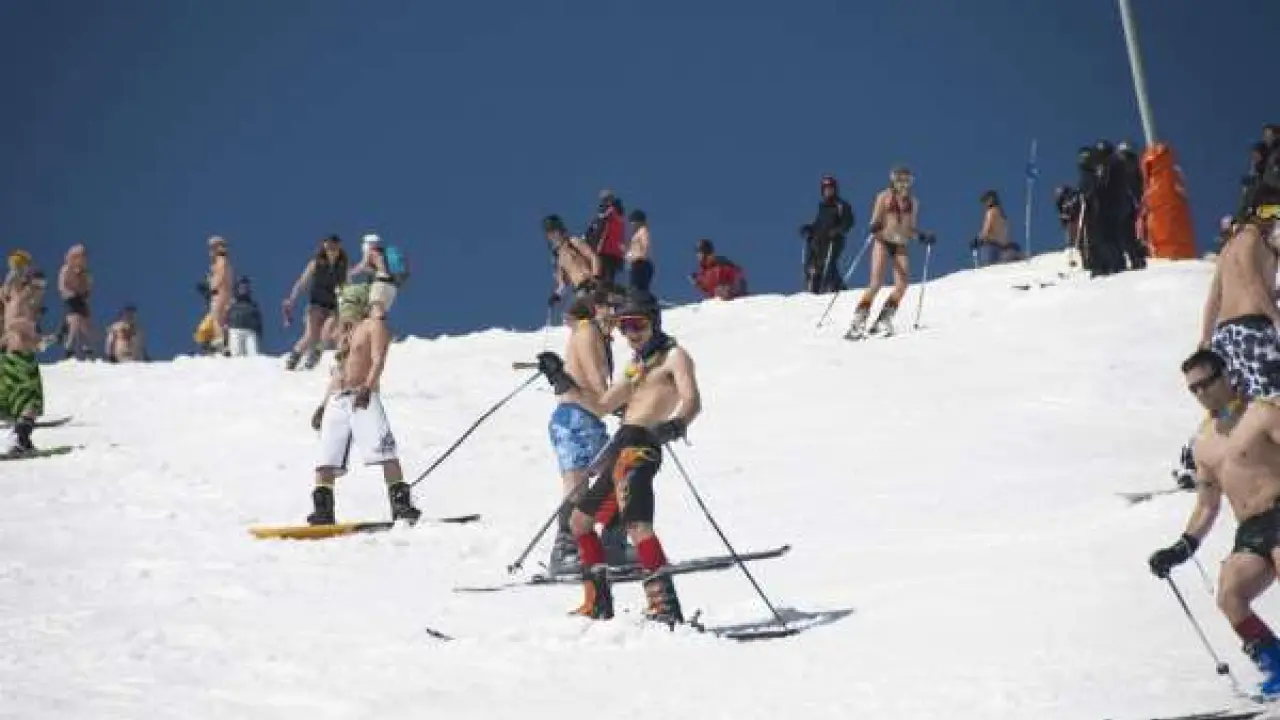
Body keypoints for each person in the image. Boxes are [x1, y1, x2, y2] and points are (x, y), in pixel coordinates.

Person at [533, 290, 702, 626]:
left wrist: (676, 425)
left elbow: (692, 400)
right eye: (624, 326)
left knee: (638, 525)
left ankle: (665, 606)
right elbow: (601, 405)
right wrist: (562, 380)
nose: (630, 333)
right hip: (620, 446)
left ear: (654, 322)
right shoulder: (636, 365)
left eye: (637, 324)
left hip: (641, 446)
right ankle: (597, 601)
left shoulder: (675, 356)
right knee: (580, 522)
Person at [1148, 349, 1280, 698]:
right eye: (1194, 389)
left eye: (1206, 383)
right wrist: (1182, 546)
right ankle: (1277, 666)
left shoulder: (1262, 414)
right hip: (1252, 527)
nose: (1202, 393)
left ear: (1226, 376)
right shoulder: (1203, 443)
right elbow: (1208, 503)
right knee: (1230, 594)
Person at [306, 283, 420, 526]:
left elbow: (379, 359)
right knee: (326, 457)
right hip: (338, 400)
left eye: (348, 303)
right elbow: (338, 372)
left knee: (384, 450)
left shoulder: (373, 325)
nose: (343, 308)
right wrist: (323, 405)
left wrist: (368, 387)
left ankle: (401, 505)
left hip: (362, 396)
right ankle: (323, 511)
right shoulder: (347, 333)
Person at [544, 288, 630, 575]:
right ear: (597, 307)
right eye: (612, 307)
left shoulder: (595, 335)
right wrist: (623, 401)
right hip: (575, 418)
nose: (616, 315)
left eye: (620, 308)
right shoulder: (587, 331)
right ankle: (566, 550)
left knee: (619, 473)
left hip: (587, 418)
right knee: (578, 483)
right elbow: (597, 385)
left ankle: (612, 542)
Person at [1196, 213, 1280, 403]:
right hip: (1251, 331)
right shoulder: (1252, 237)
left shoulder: (1228, 247)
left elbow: (1215, 295)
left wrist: (1206, 338)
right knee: (1272, 401)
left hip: (1225, 336)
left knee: (1236, 406)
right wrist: (1276, 318)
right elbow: (1251, 279)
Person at [845, 166, 920, 339]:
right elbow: (874, 220)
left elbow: (910, 228)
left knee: (902, 285)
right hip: (883, 241)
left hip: (900, 244)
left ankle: (883, 320)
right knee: (876, 282)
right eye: (900, 180)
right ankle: (859, 319)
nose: (904, 184)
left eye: (907, 180)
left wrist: (921, 236)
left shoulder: (913, 202)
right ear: (893, 180)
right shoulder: (884, 196)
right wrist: (875, 226)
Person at [284, 234, 348, 371]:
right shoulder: (316, 263)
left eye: (335, 247)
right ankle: (294, 357)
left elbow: (348, 287)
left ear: (339, 248)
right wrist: (291, 299)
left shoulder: (343, 267)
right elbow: (302, 282)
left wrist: (348, 301)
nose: (332, 251)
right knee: (311, 335)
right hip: (316, 305)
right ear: (324, 248)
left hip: (333, 307)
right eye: (329, 247)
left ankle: (314, 356)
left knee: (327, 332)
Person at [0, 268, 46, 456]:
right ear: (28, 284)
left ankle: (23, 440)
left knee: (21, 401)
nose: (41, 291)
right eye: (38, 286)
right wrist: (33, 332)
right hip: (21, 358)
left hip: (15, 356)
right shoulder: (21, 300)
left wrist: (37, 340)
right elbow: (13, 324)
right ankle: (19, 440)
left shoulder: (19, 300)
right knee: (30, 400)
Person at [805, 174, 855, 294]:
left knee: (828, 263)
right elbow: (818, 224)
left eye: (830, 188)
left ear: (835, 189)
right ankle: (815, 289)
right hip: (819, 240)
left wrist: (838, 230)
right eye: (826, 189)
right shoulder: (823, 208)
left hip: (834, 240)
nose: (828, 191)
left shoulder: (841, 205)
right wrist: (809, 229)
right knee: (813, 265)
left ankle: (836, 286)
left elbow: (848, 221)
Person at [545, 215, 601, 307]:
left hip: (589, 282)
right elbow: (563, 283)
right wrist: (557, 295)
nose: (553, 236)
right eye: (550, 233)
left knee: (590, 310)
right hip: (579, 290)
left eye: (554, 231)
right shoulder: (558, 258)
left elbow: (593, 256)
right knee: (575, 313)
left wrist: (596, 277)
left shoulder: (573, 242)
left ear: (560, 230)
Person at [58, 244, 95, 359]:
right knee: (75, 322)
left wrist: (85, 294)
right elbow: (62, 286)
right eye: (80, 256)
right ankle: (69, 349)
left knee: (85, 325)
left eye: (84, 257)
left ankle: (87, 349)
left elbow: (89, 287)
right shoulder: (66, 269)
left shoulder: (86, 273)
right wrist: (71, 294)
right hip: (71, 300)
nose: (82, 259)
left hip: (81, 301)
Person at [972, 190, 1022, 266]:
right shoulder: (1003, 217)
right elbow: (1007, 233)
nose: (985, 204)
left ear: (991, 199)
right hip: (1001, 248)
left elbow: (987, 229)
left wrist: (978, 240)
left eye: (986, 200)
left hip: (990, 245)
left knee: (989, 268)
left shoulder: (991, 212)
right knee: (997, 267)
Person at [226, 277, 264, 357]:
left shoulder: (253, 305)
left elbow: (258, 319)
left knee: (253, 354)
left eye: (246, 287)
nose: (244, 289)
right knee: (236, 354)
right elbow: (225, 318)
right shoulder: (231, 304)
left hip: (250, 331)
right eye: (241, 287)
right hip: (235, 329)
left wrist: (259, 332)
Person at [626, 209, 654, 293]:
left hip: (641, 262)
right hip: (638, 262)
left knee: (637, 286)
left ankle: (641, 298)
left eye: (633, 221)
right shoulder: (638, 233)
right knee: (638, 287)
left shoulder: (643, 231)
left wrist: (641, 256)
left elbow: (645, 244)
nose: (631, 224)